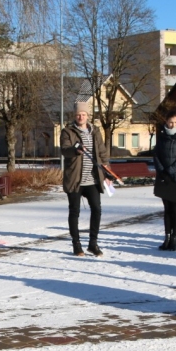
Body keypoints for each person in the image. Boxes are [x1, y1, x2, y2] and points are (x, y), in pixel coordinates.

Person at [60, 102, 109, 256]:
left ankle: (93, 243)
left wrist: (107, 169)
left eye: (83, 114)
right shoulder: (67, 131)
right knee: (74, 211)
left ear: (88, 116)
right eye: (78, 114)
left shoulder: (95, 131)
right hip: (75, 179)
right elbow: (65, 150)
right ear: (74, 116)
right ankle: (76, 244)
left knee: (97, 209)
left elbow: (101, 151)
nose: (81, 117)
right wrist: (75, 149)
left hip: (92, 179)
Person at [152, 112, 176, 251]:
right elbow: (156, 155)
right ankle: (167, 237)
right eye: (170, 122)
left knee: (175, 209)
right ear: (166, 122)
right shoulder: (161, 136)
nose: (172, 125)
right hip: (163, 178)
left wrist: (170, 171)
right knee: (167, 209)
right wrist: (162, 171)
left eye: (175, 122)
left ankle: (175, 238)